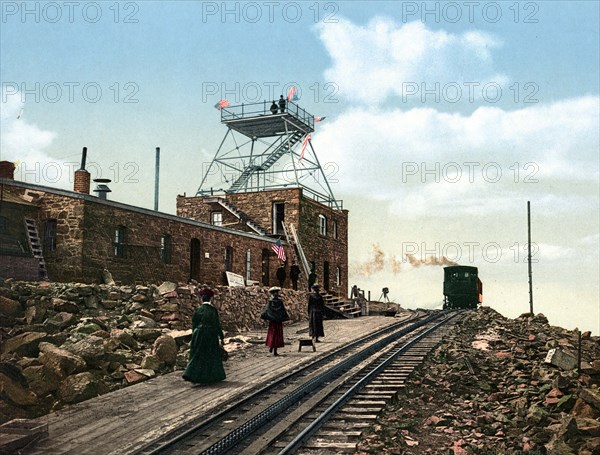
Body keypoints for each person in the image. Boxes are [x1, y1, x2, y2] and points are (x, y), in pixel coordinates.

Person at [182, 288, 226, 384]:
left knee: (198, 354)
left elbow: (194, 323)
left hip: (199, 334)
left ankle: (192, 375)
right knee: (211, 354)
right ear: (211, 299)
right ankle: (211, 377)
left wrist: (194, 335)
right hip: (210, 334)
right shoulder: (213, 310)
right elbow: (217, 324)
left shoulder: (198, 310)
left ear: (202, 299)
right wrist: (221, 337)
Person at [261, 286, 289, 356]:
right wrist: (284, 318)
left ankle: (271, 346)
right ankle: (275, 351)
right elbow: (283, 312)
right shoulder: (280, 302)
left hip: (272, 322)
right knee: (277, 336)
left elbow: (266, 311)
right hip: (278, 322)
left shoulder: (270, 302)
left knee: (272, 334)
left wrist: (266, 317)